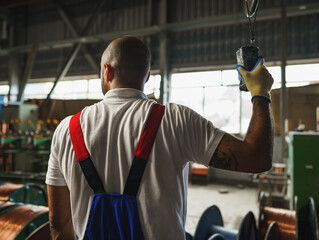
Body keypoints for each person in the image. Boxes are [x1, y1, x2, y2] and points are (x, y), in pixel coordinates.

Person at [46, 35, 274, 239]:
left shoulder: (66, 130)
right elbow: (257, 158)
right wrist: (260, 93)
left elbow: (58, 224)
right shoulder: (176, 121)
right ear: (146, 76)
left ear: (107, 71)